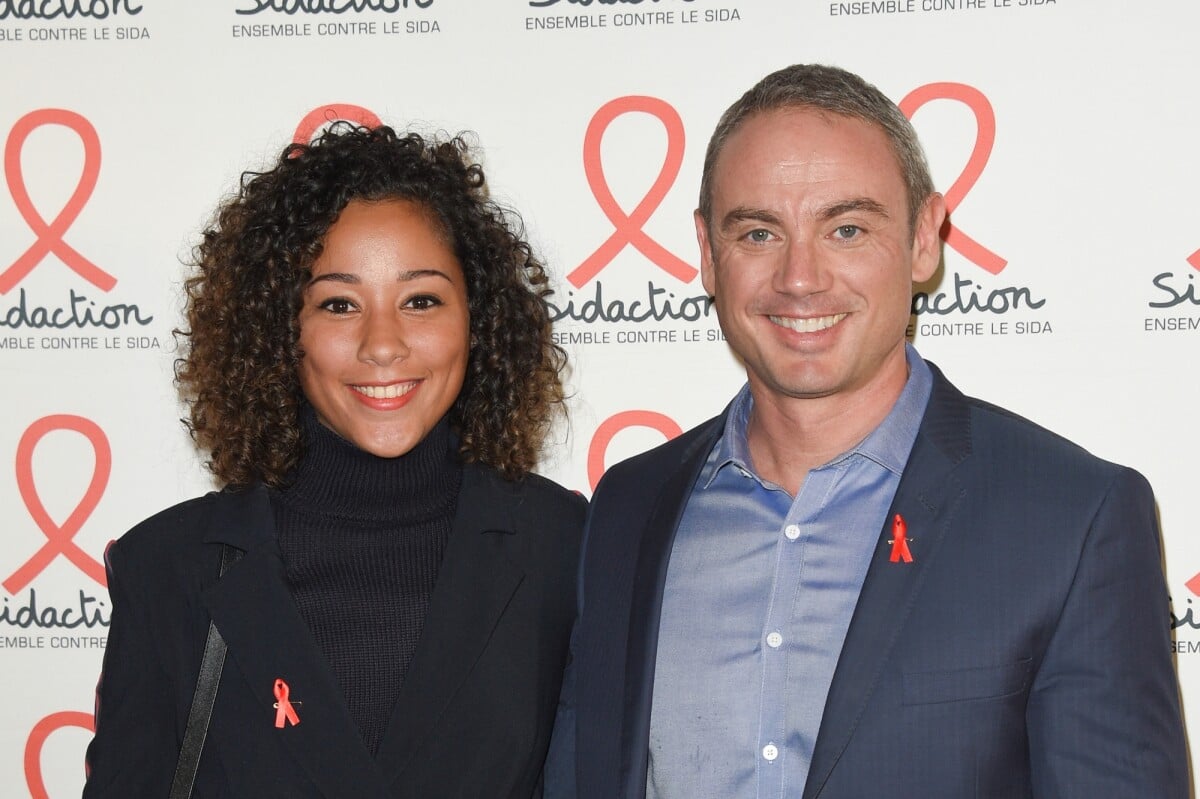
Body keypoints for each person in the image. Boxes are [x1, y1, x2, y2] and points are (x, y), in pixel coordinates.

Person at [545, 64, 1188, 798]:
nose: (800, 277)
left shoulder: (1072, 518)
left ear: (924, 240)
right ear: (706, 254)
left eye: (846, 228)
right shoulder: (628, 508)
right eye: (759, 232)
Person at [84, 125, 585, 798]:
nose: (383, 344)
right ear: (278, 328)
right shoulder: (167, 568)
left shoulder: (567, 548)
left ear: (479, 317)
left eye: (421, 299)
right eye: (339, 303)